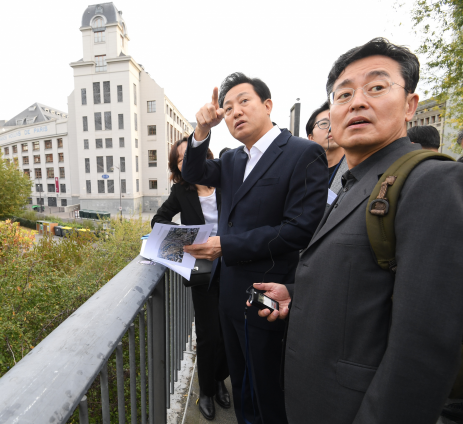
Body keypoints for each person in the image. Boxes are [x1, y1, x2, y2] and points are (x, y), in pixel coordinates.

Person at [252, 37, 463, 424]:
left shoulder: (430, 182)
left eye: (377, 87)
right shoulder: (355, 182)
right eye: (343, 94)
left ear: (410, 106)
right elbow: (365, 284)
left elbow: (423, 350)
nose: (357, 102)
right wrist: (296, 295)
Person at [181, 73, 327, 424]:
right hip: (229, 293)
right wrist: (202, 132)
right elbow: (191, 171)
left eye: (243, 102)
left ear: (267, 105)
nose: (235, 112)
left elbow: (299, 229)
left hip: (270, 291)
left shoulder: (303, 153)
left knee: (268, 388)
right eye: (227, 108)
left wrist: (226, 245)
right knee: (243, 380)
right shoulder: (232, 158)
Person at [151, 138, 230, 421]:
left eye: (191, 155)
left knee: (228, 332)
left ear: (204, 156)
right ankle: (207, 391)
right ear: (178, 168)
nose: (187, 162)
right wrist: (188, 236)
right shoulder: (180, 191)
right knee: (209, 335)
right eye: (181, 159)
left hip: (234, 265)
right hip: (204, 273)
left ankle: (221, 378)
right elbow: (158, 220)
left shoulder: (225, 180)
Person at [305, 101, 348, 195]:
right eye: (324, 123)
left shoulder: (355, 167)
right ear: (311, 138)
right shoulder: (304, 172)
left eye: (335, 122)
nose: (330, 128)